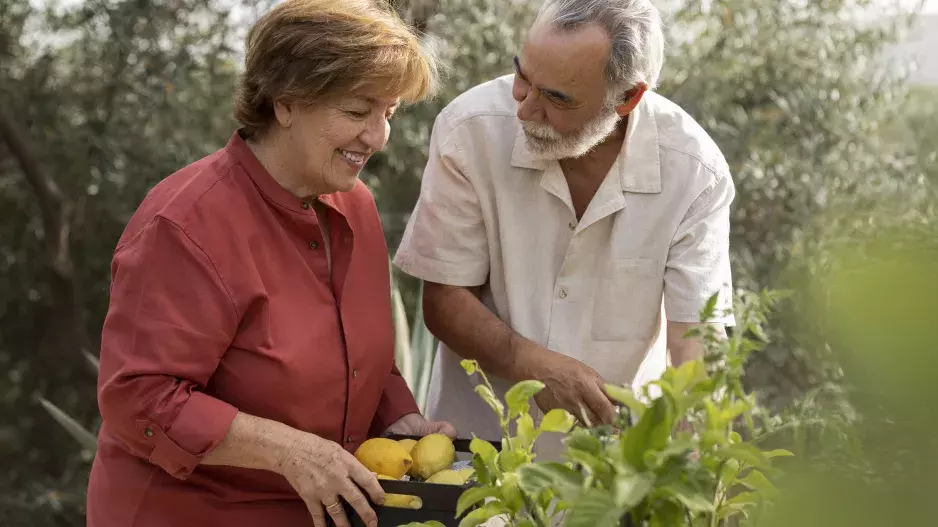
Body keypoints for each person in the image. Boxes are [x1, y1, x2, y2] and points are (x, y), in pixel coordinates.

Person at [86, 1, 455, 526]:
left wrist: (399, 416)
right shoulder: (185, 225)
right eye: (356, 112)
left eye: (388, 115)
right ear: (285, 104)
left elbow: (359, 354)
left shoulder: (357, 206)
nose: (377, 138)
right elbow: (138, 399)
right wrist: (289, 450)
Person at [393, 0, 736, 460]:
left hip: (613, 472)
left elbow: (696, 338)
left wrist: (699, 467)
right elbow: (443, 299)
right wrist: (531, 364)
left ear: (629, 98)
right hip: (479, 455)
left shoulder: (695, 172)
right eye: (522, 77)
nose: (525, 110)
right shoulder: (468, 129)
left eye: (556, 98)